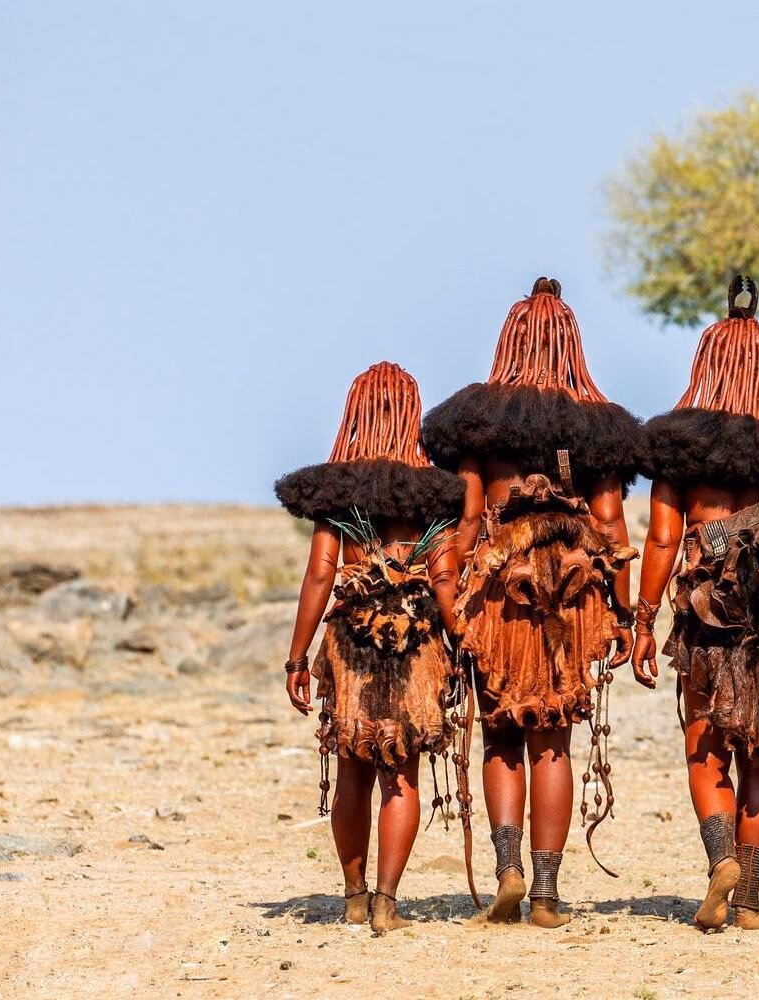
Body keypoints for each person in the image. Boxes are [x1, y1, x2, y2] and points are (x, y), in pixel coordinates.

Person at [421, 279, 641, 928]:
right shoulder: (597, 430)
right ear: (571, 342)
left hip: (497, 599)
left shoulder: (478, 429)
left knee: (500, 737)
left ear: (511, 340)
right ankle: (545, 893)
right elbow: (614, 531)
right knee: (554, 743)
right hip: (569, 607)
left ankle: (507, 870)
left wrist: (451, 610)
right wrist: (626, 617)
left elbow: (462, 528)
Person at [632, 275, 759, 931]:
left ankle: (719, 858)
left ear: (706, 360)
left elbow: (664, 538)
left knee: (704, 743)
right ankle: (748, 900)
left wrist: (641, 622)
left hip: (702, 610)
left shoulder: (677, 446)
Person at [276, 361, 467, 934]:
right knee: (400, 771)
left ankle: (354, 896)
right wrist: (461, 648)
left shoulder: (337, 493)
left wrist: (296, 657)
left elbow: (319, 576)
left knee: (352, 770)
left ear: (354, 414)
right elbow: (445, 581)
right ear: (412, 415)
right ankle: (388, 902)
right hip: (416, 643)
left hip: (350, 645)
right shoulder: (435, 494)